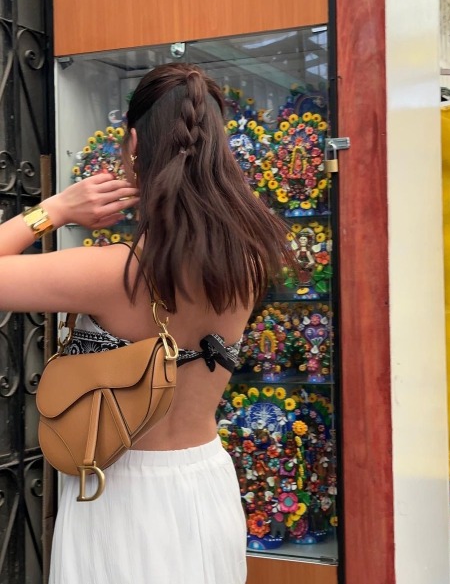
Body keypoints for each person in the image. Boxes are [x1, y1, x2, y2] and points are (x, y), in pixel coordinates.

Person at [0, 63, 291, 584]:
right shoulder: (248, 259)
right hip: (207, 484)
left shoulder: (115, 272)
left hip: (120, 493)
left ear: (134, 144)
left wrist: (56, 210)